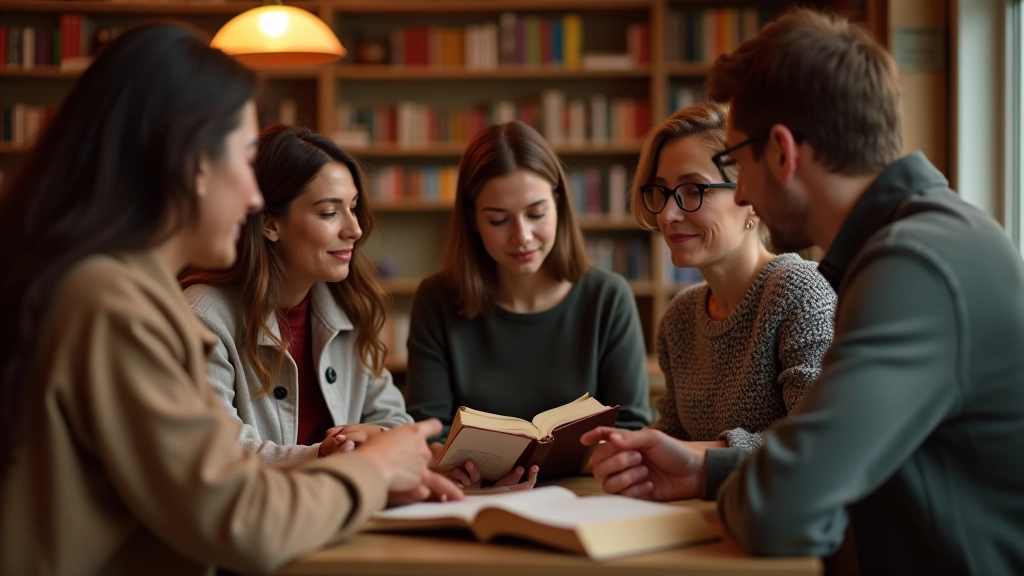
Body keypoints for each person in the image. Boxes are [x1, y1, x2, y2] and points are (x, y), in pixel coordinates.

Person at [0, 23, 460, 576]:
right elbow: (241, 518)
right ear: (192, 164)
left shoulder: (98, 288)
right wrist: (374, 470)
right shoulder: (113, 306)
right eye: (244, 160)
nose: (251, 197)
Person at [584, 8, 1024, 575]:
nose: (742, 190)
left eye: (736, 162)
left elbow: (782, 508)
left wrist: (736, 479)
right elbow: (811, 466)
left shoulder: (912, 266)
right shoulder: (927, 239)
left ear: (784, 152)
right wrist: (702, 472)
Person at [406, 120, 652, 487]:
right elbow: (429, 432)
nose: (522, 236)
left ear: (559, 204)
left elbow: (631, 429)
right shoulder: (438, 299)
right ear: (473, 219)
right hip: (474, 496)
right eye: (499, 219)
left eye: (536, 214)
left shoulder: (607, 297)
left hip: (586, 497)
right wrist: (450, 463)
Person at [181, 125, 412, 463]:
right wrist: (322, 456)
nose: (355, 229)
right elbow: (218, 450)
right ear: (269, 224)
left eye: (353, 207)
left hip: (346, 510)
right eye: (330, 212)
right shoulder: (204, 315)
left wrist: (373, 435)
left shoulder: (349, 305)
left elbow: (396, 421)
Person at [632, 102, 835, 450]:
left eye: (693, 190)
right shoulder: (679, 318)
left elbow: (820, 442)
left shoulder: (802, 292)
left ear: (751, 196)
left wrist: (699, 457)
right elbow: (673, 436)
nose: (667, 214)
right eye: (661, 191)